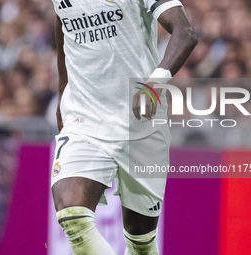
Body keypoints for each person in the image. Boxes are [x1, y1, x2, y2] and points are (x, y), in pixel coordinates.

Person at [51, 0, 197, 254]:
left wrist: (154, 85)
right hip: (83, 117)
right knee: (72, 216)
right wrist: (64, 90)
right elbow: (62, 19)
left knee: (141, 240)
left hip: (140, 121)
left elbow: (185, 32)